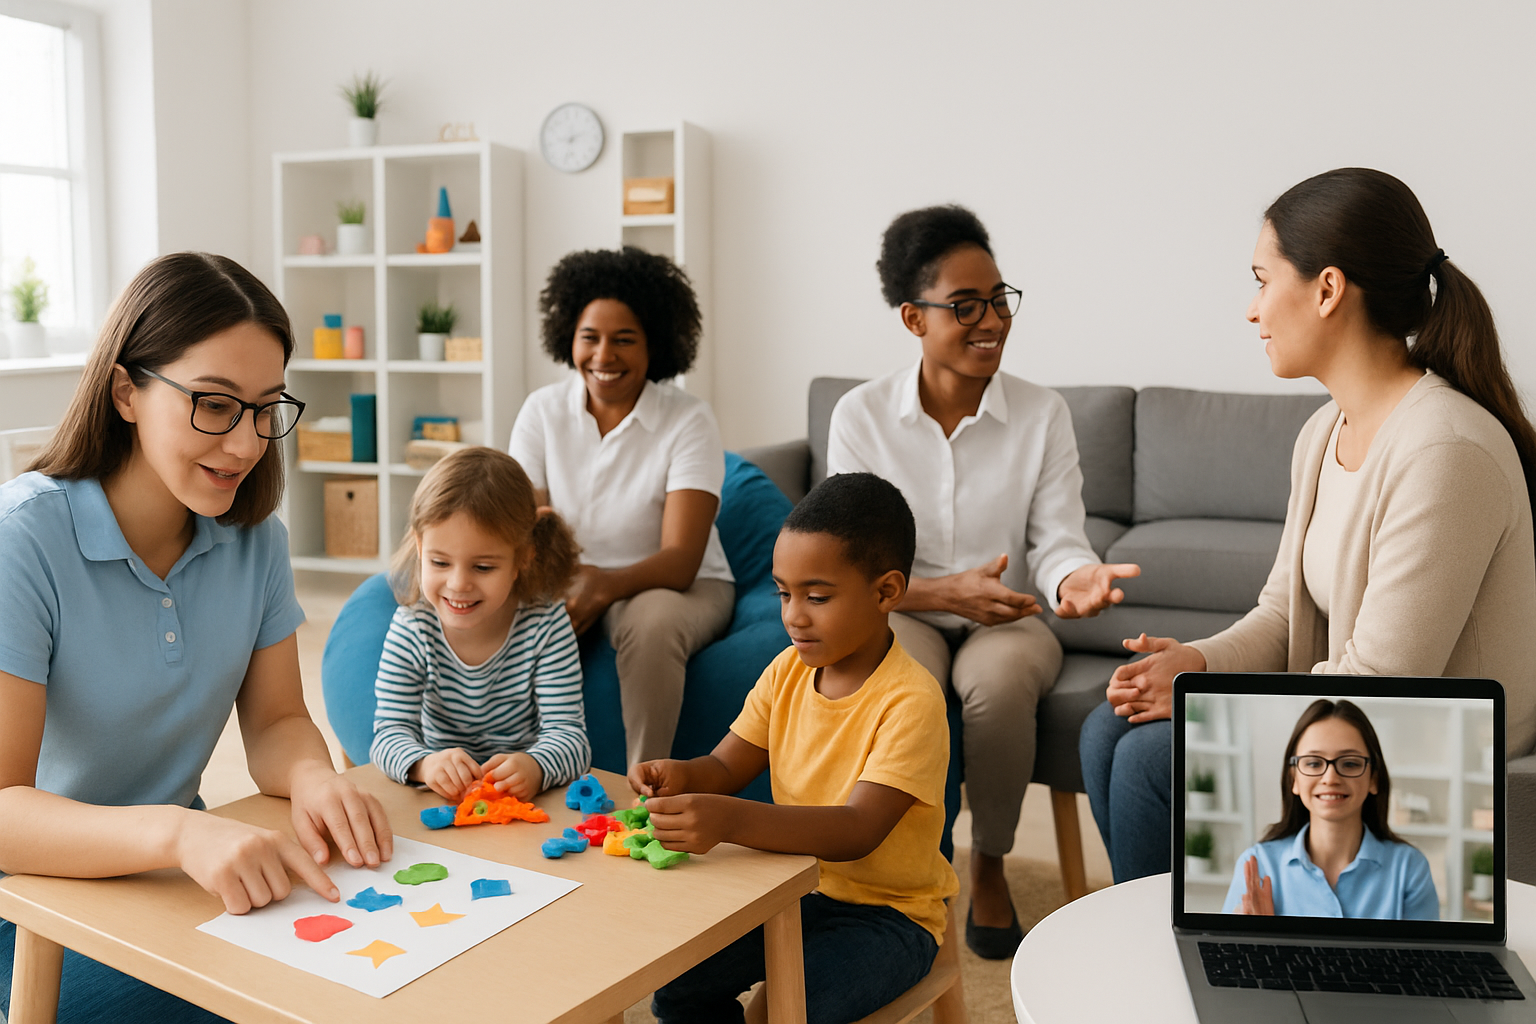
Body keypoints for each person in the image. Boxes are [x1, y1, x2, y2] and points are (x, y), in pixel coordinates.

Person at [1082, 167, 1536, 883]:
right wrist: (1194, 663)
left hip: (1435, 747)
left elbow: (1388, 684)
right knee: (1109, 726)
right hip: (1362, 721)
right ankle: (1188, 938)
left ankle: (1181, 963)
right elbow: (1277, 613)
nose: (1252, 310)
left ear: (1327, 290)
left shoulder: (1444, 449)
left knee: (1150, 758)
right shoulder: (1324, 432)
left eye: (1263, 280)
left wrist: (1206, 700)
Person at [0, 252, 393, 1023]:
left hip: (171, 875)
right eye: (214, 404)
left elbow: (278, 722)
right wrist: (180, 834)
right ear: (126, 391)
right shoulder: (24, 541)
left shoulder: (256, 542)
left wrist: (314, 779)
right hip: (31, 904)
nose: (246, 444)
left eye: (265, 407)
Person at [827, 205, 1139, 957]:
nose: (991, 320)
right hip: (902, 608)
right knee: (901, 683)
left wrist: (1076, 579)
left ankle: (990, 863)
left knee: (997, 690)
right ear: (913, 318)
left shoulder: (1041, 413)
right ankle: (910, 865)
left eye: (999, 299)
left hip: (1007, 617)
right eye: (965, 306)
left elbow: (1058, 539)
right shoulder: (862, 416)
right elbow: (852, 563)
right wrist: (938, 593)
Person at [629, 473, 958, 1024]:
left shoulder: (912, 701)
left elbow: (857, 831)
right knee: (678, 989)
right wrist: (681, 774)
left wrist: (729, 820)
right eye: (784, 593)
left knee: (794, 1008)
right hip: (790, 891)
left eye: (817, 596)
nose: (793, 615)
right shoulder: (786, 671)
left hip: (889, 917)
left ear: (886, 592)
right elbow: (727, 765)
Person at [510, 247, 734, 766]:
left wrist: (604, 584)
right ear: (569, 336)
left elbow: (681, 558)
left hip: (679, 584)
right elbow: (529, 528)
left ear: (655, 345)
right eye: (590, 337)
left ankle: (644, 792)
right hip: (568, 574)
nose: (603, 356)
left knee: (650, 625)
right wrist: (562, 586)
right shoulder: (542, 412)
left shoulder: (688, 419)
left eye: (624, 340)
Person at [370, 446, 591, 803]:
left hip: (521, 803)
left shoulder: (545, 624)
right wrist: (425, 765)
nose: (458, 584)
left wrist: (535, 767)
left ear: (524, 557)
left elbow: (572, 739)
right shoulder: (413, 627)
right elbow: (387, 736)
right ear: (419, 545)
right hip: (439, 801)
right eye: (440, 562)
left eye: (483, 567)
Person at [1221, 699, 1438, 919]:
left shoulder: (1409, 869)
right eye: (1314, 763)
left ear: (1374, 778)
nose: (1330, 778)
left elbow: (1426, 954)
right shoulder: (1258, 865)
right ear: (1293, 779)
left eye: (1350, 763)